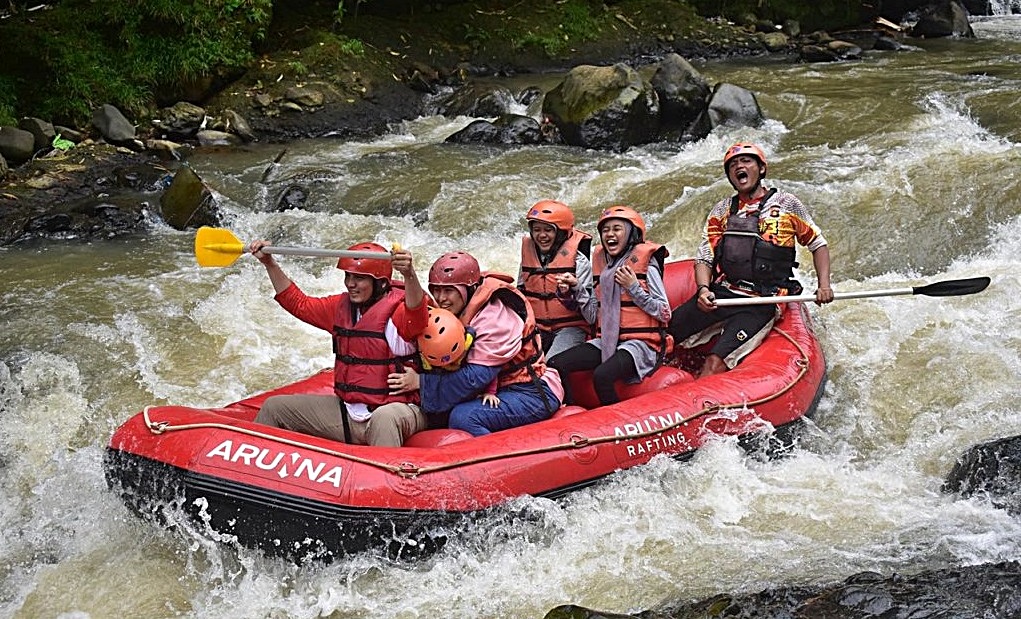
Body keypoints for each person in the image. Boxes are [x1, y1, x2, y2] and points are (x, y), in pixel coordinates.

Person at [667, 142, 833, 377]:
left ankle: (694, 403)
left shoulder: (787, 205)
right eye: (733, 165)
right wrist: (704, 289)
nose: (738, 167)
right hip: (723, 293)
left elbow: (818, 244)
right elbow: (705, 255)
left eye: (746, 161)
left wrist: (824, 285)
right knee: (665, 335)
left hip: (762, 302)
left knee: (715, 362)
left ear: (761, 169)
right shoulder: (722, 210)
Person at [248, 239, 428, 447]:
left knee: (384, 418)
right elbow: (299, 304)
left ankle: (382, 477)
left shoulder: (399, 312)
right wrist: (269, 263)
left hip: (398, 410)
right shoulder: (339, 308)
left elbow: (417, 312)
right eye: (348, 276)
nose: (351, 283)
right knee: (274, 408)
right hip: (348, 412)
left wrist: (409, 274)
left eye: (359, 278)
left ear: (380, 283)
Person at [388, 250, 564, 436]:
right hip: (496, 391)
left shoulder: (495, 318)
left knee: (463, 417)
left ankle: (499, 463)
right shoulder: (459, 310)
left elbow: (476, 377)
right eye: (436, 290)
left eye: (448, 291)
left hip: (531, 391)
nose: (441, 298)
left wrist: (421, 383)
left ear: (469, 290)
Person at [547, 206, 672, 406]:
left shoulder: (647, 264)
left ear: (631, 233)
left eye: (616, 229)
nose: (609, 235)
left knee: (602, 376)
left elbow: (664, 313)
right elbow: (591, 317)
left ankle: (618, 424)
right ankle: (571, 415)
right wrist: (577, 287)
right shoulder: (602, 265)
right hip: (607, 341)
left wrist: (633, 288)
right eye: (605, 230)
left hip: (640, 344)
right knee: (556, 364)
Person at [517, 199, 594, 358]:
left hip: (570, 328)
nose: (542, 235)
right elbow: (521, 295)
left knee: (550, 363)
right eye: (537, 230)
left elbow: (591, 315)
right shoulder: (528, 257)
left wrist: (574, 289)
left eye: (548, 230)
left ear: (560, 233)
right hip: (537, 327)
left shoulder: (579, 261)